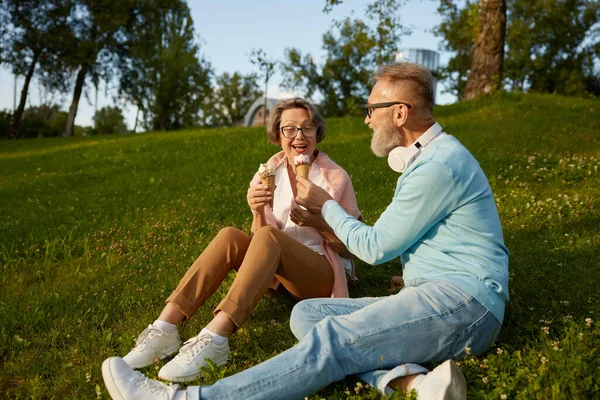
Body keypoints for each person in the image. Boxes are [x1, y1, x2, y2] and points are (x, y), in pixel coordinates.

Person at [102, 62, 509, 400]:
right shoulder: (429, 160)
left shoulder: (436, 165)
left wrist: (324, 208)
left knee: (332, 340)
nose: (367, 120)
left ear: (399, 114)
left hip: (464, 302)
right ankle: (413, 382)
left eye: (372, 109)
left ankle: (189, 397)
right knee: (309, 315)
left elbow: (375, 246)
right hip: (440, 292)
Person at [118, 97, 361, 383]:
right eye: (290, 129)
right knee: (230, 236)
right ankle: (166, 327)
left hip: (322, 274)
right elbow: (262, 241)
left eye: (307, 128)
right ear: (277, 135)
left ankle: (216, 338)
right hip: (281, 273)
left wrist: (318, 221)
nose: (299, 136)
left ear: (318, 133)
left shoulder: (335, 178)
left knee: (271, 236)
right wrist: (257, 210)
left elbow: (352, 247)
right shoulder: (269, 173)